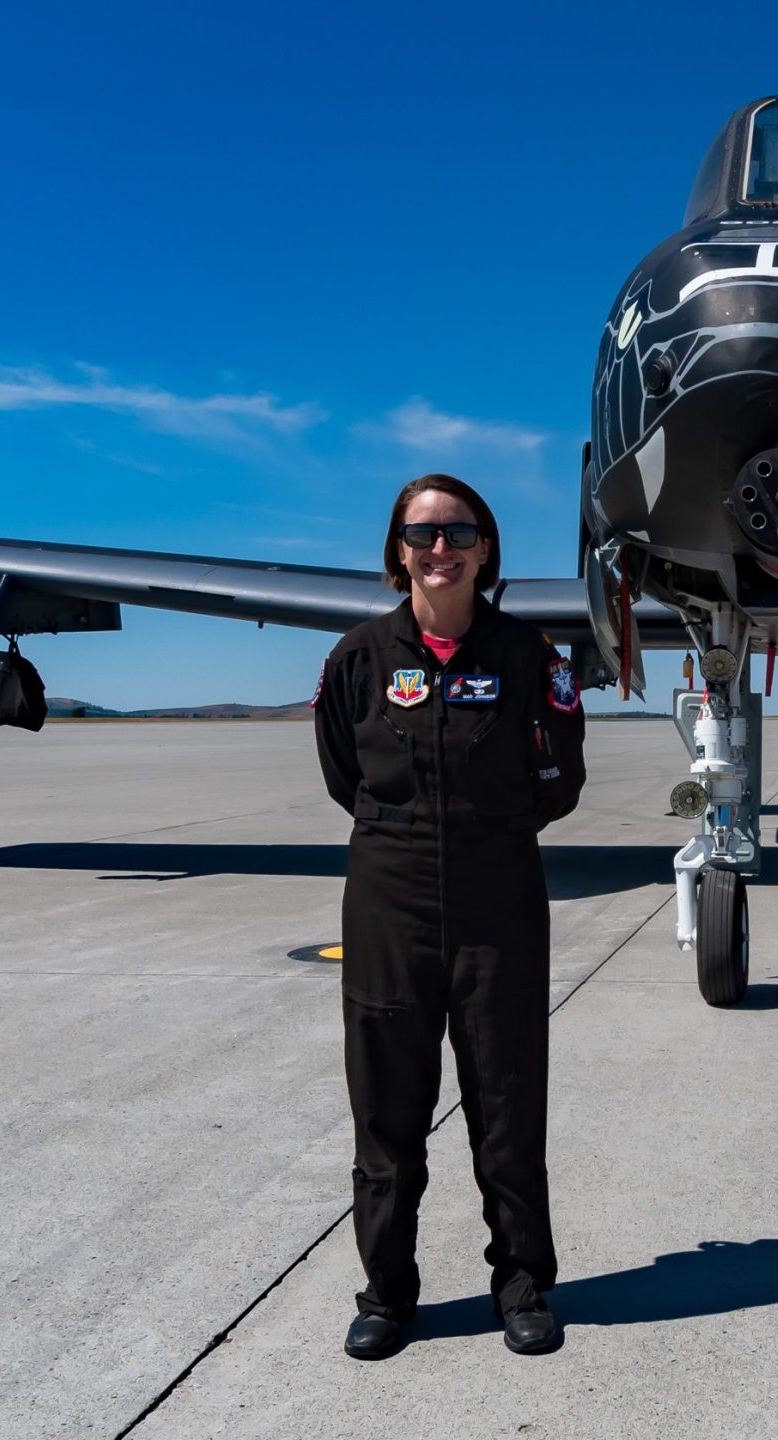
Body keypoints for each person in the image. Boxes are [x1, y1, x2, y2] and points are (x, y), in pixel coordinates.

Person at [312, 474, 587, 1360]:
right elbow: (342, 776)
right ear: (398, 551)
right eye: (423, 534)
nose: (441, 548)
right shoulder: (358, 657)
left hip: (498, 899)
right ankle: (387, 1294)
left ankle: (520, 1284)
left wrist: (485, 831)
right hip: (389, 902)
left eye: (458, 532)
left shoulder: (528, 658)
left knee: (507, 1106)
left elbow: (562, 777)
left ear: (486, 549)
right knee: (387, 1114)